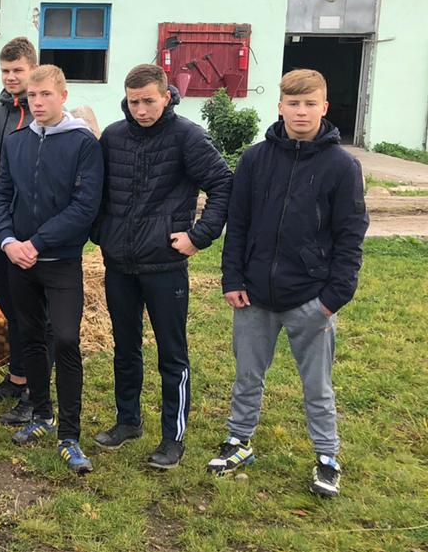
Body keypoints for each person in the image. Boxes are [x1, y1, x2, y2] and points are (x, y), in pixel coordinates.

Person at [210, 69, 367, 498]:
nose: (301, 112)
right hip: (253, 296)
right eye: (293, 104)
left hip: (311, 299)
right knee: (247, 376)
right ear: (280, 107)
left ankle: (327, 458)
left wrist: (332, 298)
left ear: (324, 108)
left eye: (310, 104)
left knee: (317, 386)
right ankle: (238, 441)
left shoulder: (342, 166)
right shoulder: (254, 160)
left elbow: (350, 236)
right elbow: (238, 223)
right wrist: (232, 278)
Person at [91, 64, 232, 469]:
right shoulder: (113, 137)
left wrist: (198, 237)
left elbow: (223, 183)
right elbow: (99, 190)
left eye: (149, 101)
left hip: (165, 265)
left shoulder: (187, 136)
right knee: (125, 348)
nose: (141, 110)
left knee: (172, 354)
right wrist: (102, 233)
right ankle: (127, 421)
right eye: (134, 102)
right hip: (119, 263)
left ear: (166, 96)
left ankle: (173, 437)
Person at [0, 64, 103, 474]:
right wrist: (8, 241)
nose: (37, 103)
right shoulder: (16, 141)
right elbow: (1, 194)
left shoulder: (82, 142)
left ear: (63, 96)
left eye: (46, 95)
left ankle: (70, 435)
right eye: (32, 96)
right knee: (30, 336)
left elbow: (84, 207)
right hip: (19, 260)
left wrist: (37, 243)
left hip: (59, 262)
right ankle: (42, 413)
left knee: (67, 340)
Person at [0, 38, 40, 402]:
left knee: (33, 313)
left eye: (18, 70)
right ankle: (17, 377)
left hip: (33, 230)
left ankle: (37, 385)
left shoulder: (44, 111)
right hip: (0, 226)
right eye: (5, 71)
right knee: (9, 307)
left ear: (33, 69)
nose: (11, 77)